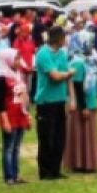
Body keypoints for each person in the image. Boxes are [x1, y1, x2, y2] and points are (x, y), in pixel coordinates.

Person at [34, 25, 73, 180]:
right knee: (46, 138)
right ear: (59, 38)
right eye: (64, 37)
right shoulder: (43, 54)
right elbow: (55, 76)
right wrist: (68, 73)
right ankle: (45, 171)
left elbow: (64, 74)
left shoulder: (62, 54)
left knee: (59, 137)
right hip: (45, 101)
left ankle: (56, 170)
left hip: (59, 100)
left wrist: (70, 97)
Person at [0, 47, 30, 183]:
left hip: (20, 115)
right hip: (9, 116)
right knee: (8, 146)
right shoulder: (2, 78)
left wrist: (27, 115)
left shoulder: (18, 75)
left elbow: (22, 97)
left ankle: (16, 174)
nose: (18, 61)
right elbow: (0, 103)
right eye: (16, 59)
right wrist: (5, 120)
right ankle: (8, 176)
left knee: (16, 147)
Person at [65, 38, 97, 173]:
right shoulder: (78, 62)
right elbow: (77, 85)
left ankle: (88, 162)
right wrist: (83, 106)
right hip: (81, 104)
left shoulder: (90, 60)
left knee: (88, 134)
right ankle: (79, 162)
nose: (91, 46)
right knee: (80, 133)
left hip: (90, 101)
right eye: (88, 43)